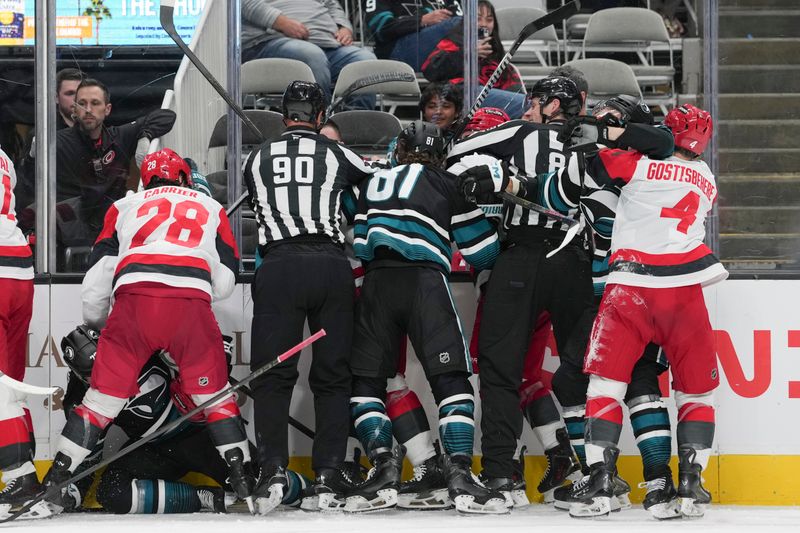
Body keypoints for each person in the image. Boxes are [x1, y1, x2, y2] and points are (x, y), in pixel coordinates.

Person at [445, 76, 674, 505]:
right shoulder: (596, 142)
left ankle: (500, 477)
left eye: (534, 102)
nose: (528, 108)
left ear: (551, 106)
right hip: (580, 263)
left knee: (500, 370)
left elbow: (455, 156)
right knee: (581, 373)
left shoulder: (521, 131)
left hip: (520, 261)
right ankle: (597, 474)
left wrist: (453, 138)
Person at [41, 148, 255, 515]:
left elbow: (97, 282)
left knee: (97, 404)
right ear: (186, 179)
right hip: (189, 305)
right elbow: (223, 283)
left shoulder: (125, 206)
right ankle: (246, 480)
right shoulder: (210, 207)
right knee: (217, 399)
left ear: (145, 180)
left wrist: (99, 326)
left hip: (132, 302)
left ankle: (55, 480)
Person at [568, 104, 724, 519]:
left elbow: (593, 162)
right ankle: (690, 483)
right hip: (685, 291)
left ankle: (600, 479)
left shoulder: (636, 165)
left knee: (605, 389)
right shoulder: (708, 180)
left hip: (630, 287)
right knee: (696, 393)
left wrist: (610, 131)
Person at [346, 120, 506, 515]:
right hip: (423, 284)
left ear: (399, 149)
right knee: (450, 381)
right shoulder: (446, 182)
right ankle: (460, 475)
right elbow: (484, 253)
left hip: (376, 285)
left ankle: (384, 470)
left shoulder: (372, 180)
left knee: (369, 382)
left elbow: (349, 229)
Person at [242, 81, 376, 514]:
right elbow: (374, 181)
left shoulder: (255, 156)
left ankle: (272, 470)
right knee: (333, 376)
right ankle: (329, 474)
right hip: (328, 265)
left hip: (278, 267)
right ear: (320, 118)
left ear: (284, 117)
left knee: (272, 376)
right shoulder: (336, 151)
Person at [58, 327, 310, 515]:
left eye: (106, 362)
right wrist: (69, 492)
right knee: (112, 493)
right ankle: (204, 498)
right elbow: (89, 453)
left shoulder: (141, 341)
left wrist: (218, 360)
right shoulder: (80, 399)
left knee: (259, 483)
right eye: (94, 373)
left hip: (200, 436)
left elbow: (214, 346)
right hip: (154, 447)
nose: (106, 372)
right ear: (79, 376)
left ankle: (312, 490)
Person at [242, 0, 376, 110]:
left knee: (365, 62)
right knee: (312, 56)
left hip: (328, 44)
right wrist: (280, 22)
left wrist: (344, 27)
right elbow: (244, 3)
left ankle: (354, 134)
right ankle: (320, 130)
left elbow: (331, 5)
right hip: (269, 42)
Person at [0, 147, 36, 515]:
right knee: (9, 379)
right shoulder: (4, 156)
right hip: (19, 268)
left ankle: (22, 478)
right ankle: (26, 472)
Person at [422, 0, 527, 119]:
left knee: (529, 103)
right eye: (478, 19)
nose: (484, 24)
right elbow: (430, 70)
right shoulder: (453, 42)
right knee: (525, 105)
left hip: (487, 101)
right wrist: (467, 53)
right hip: (457, 96)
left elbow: (510, 85)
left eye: (489, 20)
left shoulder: (495, 49)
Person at [363, 0, 463, 72]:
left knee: (466, 26)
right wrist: (422, 20)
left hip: (441, 51)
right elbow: (380, 30)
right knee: (458, 23)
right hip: (396, 51)